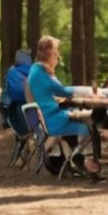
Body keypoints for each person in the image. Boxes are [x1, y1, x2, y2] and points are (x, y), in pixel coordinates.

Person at [27, 34, 101, 177]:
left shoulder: (36, 69)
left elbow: (55, 91)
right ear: (49, 53)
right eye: (56, 52)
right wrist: (90, 91)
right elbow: (63, 91)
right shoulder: (42, 73)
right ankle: (88, 165)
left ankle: (75, 162)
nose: (58, 55)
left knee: (84, 123)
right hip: (54, 120)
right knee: (91, 129)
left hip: (50, 117)